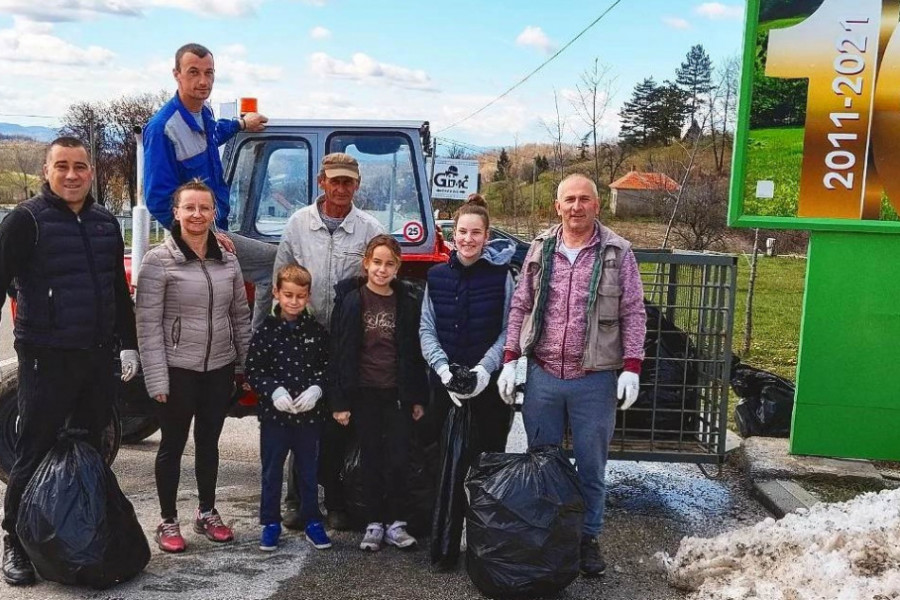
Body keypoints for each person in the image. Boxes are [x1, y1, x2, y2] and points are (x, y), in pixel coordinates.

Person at [0, 137, 139, 587]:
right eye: (62, 166)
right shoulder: (26, 221)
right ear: (46, 171)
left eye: (80, 166)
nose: (72, 174)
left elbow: (117, 290)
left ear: (91, 172)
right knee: (34, 449)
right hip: (46, 359)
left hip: (97, 359)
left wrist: (128, 344)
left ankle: (84, 535)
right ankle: (14, 543)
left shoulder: (103, 223)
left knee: (91, 449)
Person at [497, 174, 646, 578]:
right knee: (543, 463)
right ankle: (547, 536)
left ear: (597, 205)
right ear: (557, 206)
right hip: (544, 373)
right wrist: (511, 357)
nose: (576, 207)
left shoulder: (617, 251)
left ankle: (587, 538)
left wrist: (632, 365)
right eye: (569, 200)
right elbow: (521, 306)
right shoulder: (541, 249)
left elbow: (633, 310)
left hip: (594, 378)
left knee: (591, 466)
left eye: (584, 200)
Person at [136, 179, 252, 553]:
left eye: (204, 208)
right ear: (176, 213)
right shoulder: (158, 261)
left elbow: (240, 315)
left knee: (208, 443)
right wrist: (156, 376)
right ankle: (168, 521)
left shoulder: (228, 258)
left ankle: (206, 512)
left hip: (218, 368)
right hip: (176, 369)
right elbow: (148, 324)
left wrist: (245, 366)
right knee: (172, 444)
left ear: (214, 212)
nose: (197, 215)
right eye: (189, 208)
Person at [273, 152, 385, 530]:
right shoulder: (297, 224)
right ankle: (296, 501)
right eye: (334, 181)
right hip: (302, 335)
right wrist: (269, 330)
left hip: (346, 341)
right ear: (321, 181)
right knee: (298, 417)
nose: (341, 188)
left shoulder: (369, 229)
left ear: (357, 185)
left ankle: (336, 500)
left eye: (348, 182)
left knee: (339, 420)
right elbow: (279, 280)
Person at [143, 42, 274, 331]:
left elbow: (213, 134)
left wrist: (241, 124)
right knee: (274, 264)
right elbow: (157, 198)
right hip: (196, 235)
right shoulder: (163, 127)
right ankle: (257, 350)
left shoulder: (205, 113)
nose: (203, 81)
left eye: (209, 73)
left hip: (218, 226)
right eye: (194, 72)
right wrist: (202, 239)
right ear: (176, 74)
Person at [418, 194, 517, 569]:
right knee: (444, 467)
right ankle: (444, 546)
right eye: (462, 232)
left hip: (486, 389)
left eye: (476, 233)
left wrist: (485, 371)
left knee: (486, 469)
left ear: (486, 235)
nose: (468, 239)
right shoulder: (437, 277)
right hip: (445, 388)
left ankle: (483, 548)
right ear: (453, 233)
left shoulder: (500, 277)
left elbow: (510, 328)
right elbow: (427, 328)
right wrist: (443, 370)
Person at [329, 235, 427, 551]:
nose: (382, 270)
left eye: (389, 264)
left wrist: (416, 397)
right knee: (370, 458)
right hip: (364, 394)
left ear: (397, 268)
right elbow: (340, 353)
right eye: (377, 263)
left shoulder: (406, 302)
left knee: (399, 458)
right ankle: (373, 523)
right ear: (366, 264)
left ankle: (397, 523)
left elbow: (413, 354)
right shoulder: (352, 301)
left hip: (396, 393)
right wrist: (340, 401)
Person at [245, 264, 332, 552]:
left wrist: (318, 389)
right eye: (289, 295)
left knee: (308, 470)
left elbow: (327, 367)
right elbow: (255, 370)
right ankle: (270, 522)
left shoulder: (316, 331)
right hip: (275, 418)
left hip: (309, 417)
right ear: (277, 294)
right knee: (271, 471)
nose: (294, 302)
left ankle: (312, 521)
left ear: (307, 297)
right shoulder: (265, 332)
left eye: (300, 296)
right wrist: (273, 391)